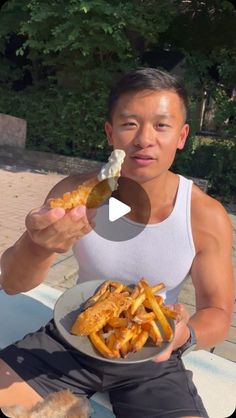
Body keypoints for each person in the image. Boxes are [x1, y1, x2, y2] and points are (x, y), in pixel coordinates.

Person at [0, 68, 234, 418]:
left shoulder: (204, 215)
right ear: (111, 133)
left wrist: (183, 336)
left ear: (182, 136)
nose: (144, 139)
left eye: (161, 125)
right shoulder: (74, 195)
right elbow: (12, 283)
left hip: (154, 351)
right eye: (129, 124)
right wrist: (39, 245)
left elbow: (218, 311)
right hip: (69, 338)